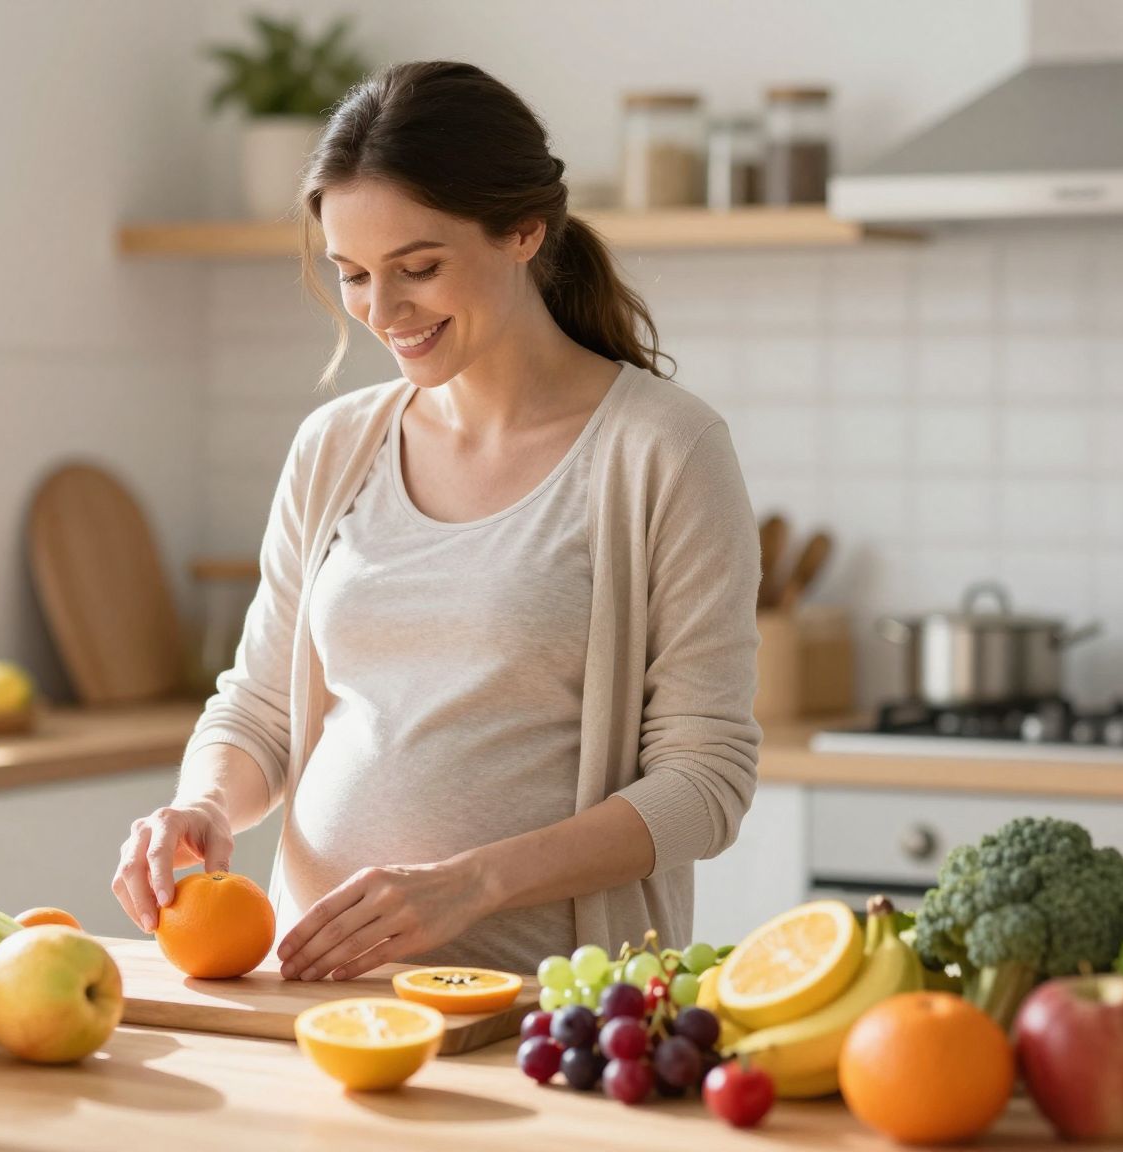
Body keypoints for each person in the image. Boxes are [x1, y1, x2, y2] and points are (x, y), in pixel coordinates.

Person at [112, 60, 760, 980]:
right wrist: (205, 803)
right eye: (352, 274)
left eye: (418, 268)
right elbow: (260, 710)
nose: (383, 312)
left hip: (547, 1009)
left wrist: (474, 884)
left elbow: (706, 783)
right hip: (320, 999)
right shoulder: (335, 446)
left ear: (524, 230)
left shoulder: (664, 450)